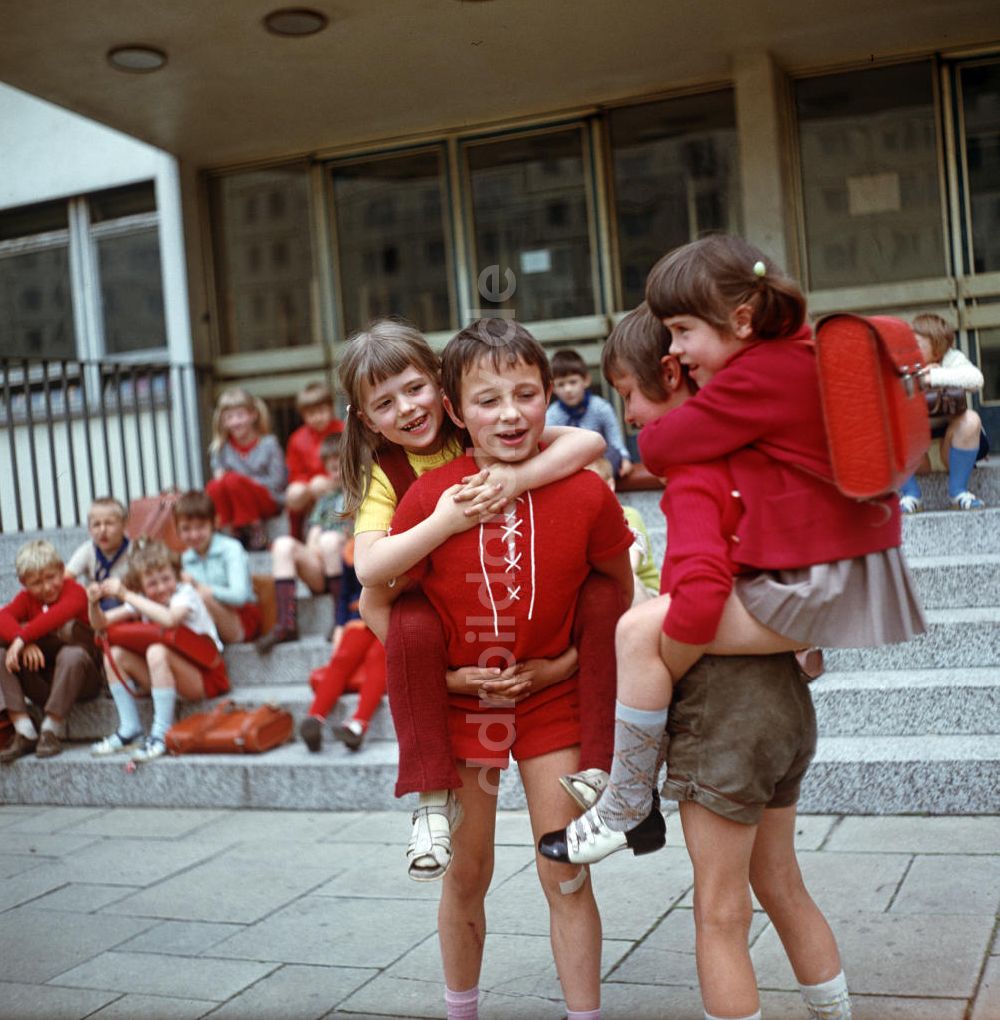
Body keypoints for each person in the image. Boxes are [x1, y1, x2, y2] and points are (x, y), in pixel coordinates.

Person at [541, 304, 854, 1020]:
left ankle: (627, 800)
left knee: (719, 915)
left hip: (725, 716)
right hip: (783, 712)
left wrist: (663, 653)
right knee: (782, 884)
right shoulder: (754, 458)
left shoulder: (695, 474)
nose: (625, 412)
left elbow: (699, 600)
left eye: (625, 392)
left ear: (674, 373)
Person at [389, 318, 634, 1020]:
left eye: (526, 394)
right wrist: (448, 683)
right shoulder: (430, 499)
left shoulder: (586, 492)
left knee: (565, 871)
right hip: (465, 714)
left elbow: (617, 594)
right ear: (455, 410)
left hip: (550, 703)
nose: (510, 414)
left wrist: (567, 663)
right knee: (467, 873)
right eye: (488, 399)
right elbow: (392, 616)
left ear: (548, 397)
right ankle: (461, 1011)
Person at [337, 318, 617, 883]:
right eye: (385, 404)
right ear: (367, 420)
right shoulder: (385, 477)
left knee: (602, 600)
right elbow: (369, 578)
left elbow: (589, 442)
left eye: (415, 390)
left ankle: (610, 770)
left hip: (517, 619)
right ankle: (430, 797)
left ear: (443, 391)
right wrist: (444, 520)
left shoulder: (480, 425)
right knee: (410, 624)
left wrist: (517, 480)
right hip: (443, 624)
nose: (408, 410)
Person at [88, 539, 229, 762]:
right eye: (152, 584)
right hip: (167, 676)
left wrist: (125, 594)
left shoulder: (185, 594)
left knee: (156, 650)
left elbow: (170, 619)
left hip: (205, 677)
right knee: (114, 654)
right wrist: (93, 603)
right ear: (142, 587)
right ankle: (130, 728)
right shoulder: (143, 599)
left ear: (175, 574)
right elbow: (100, 623)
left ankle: (162, 733)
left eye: (166, 579)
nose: (161, 587)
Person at [0, 540, 103, 762]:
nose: (47, 587)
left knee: (71, 651)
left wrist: (23, 637)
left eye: (51, 577)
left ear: (61, 570)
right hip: (43, 682)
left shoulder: (75, 591)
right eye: (36, 583)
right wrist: (23, 643)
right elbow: (2, 617)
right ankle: (24, 729)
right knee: (2, 654)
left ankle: (50, 730)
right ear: (23, 583)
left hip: (83, 679)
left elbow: (59, 614)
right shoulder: (27, 599)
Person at [257, 432, 350, 652]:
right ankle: (285, 624)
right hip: (322, 568)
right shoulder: (325, 499)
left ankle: (340, 618)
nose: (336, 474)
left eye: (341, 467)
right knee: (283, 545)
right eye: (331, 468)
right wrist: (314, 550)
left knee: (329, 540)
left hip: (349, 567)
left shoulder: (364, 492)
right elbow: (314, 532)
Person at [299, 538, 386, 753]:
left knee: (378, 658)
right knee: (343, 657)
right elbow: (345, 594)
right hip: (358, 617)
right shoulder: (351, 549)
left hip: (390, 616)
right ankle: (315, 718)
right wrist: (339, 625)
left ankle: (358, 723)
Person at [899, 312, 989, 512]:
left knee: (971, 419)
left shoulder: (951, 358)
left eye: (917, 344)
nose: (910, 349)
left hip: (952, 447)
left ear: (937, 348)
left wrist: (933, 376)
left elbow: (975, 379)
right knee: (886, 424)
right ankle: (911, 496)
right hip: (919, 455)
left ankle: (959, 493)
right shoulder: (904, 362)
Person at [173, 489, 262, 644]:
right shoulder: (184, 559)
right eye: (186, 529)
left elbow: (239, 596)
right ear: (177, 531)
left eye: (200, 527)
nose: (194, 535)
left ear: (215, 523)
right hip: (205, 620)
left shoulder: (231, 548)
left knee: (200, 596)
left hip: (240, 618)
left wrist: (200, 587)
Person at [206, 387, 287, 550]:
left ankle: (254, 528)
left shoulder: (269, 444)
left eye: (240, 415)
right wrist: (235, 482)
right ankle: (227, 529)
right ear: (223, 421)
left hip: (268, 499)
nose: (235, 422)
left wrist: (244, 482)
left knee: (232, 479)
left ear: (253, 415)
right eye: (229, 417)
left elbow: (278, 482)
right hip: (234, 504)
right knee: (214, 486)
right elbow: (220, 484)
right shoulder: (220, 448)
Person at [546, 347, 633, 478]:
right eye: (561, 384)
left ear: (586, 380)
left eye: (573, 382)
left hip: (601, 463)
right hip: (569, 466)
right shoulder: (552, 415)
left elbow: (615, 442)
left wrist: (625, 458)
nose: (568, 389)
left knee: (613, 455)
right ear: (553, 388)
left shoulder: (601, 408)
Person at [586, 456, 659, 604]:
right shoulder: (584, 523)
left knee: (625, 582)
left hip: (646, 593)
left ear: (610, 485)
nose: (588, 497)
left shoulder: (628, 515)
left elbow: (631, 564)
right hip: (608, 595)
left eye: (594, 488)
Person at [284, 380, 345, 529]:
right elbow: (295, 474)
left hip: (343, 483)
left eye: (321, 411)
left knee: (318, 485)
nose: (317, 417)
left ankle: (330, 524)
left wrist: (332, 479)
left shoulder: (344, 430)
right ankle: (298, 532)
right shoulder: (297, 439)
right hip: (312, 487)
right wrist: (311, 483)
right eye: (311, 413)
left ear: (331, 408)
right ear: (303, 415)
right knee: (294, 493)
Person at [65, 496, 130, 609]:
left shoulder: (134, 550)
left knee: (112, 604)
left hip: (123, 604)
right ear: (89, 529)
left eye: (109, 523)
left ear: (124, 524)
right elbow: (66, 579)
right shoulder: (87, 550)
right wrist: (85, 591)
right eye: (96, 525)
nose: (102, 530)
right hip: (93, 604)